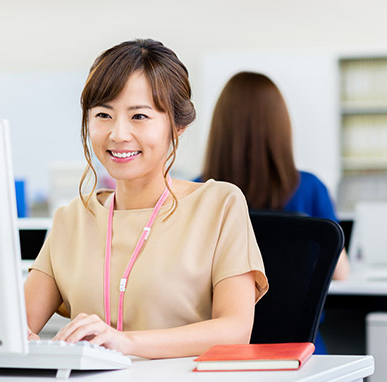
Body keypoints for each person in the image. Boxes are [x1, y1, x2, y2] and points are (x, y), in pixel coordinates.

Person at [24, 39, 268, 359]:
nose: (118, 134)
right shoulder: (72, 219)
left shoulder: (219, 204)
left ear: (177, 125)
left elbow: (235, 330)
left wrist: (126, 342)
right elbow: (11, 324)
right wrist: (19, 339)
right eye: (103, 114)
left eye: (139, 116)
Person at [198, 72, 348, 355]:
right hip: (299, 354)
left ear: (220, 128)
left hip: (217, 354)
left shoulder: (197, 192)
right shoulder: (311, 188)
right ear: (281, 127)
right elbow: (340, 271)